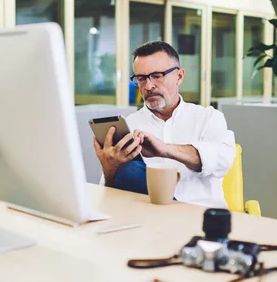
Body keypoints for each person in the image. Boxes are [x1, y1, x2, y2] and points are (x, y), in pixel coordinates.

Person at [92, 41, 236, 208]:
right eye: (141, 78)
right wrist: (109, 171)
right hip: (146, 221)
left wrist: (164, 149)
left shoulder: (208, 117)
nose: (149, 86)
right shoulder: (128, 126)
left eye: (157, 76)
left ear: (179, 76)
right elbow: (108, 196)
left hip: (201, 218)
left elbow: (222, 161)